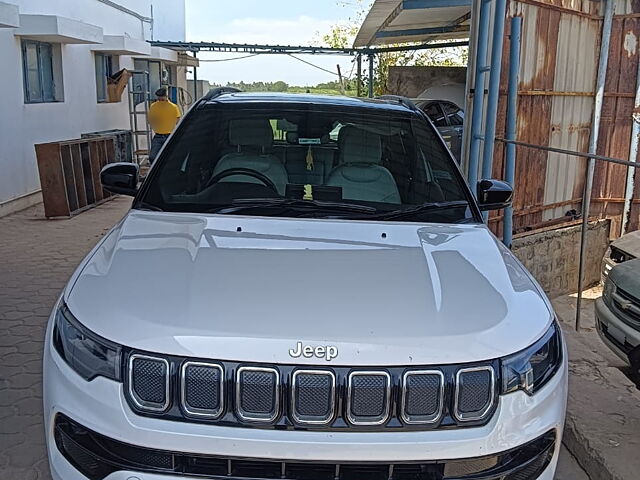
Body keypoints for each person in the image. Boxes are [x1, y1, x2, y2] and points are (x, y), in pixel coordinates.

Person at [147, 88, 181, 164]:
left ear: (166, 96)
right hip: (158, 135)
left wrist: (170, 125)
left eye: (162, 99)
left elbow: (177, 119)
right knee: (152, 157)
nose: (160, 101)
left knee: (171, 157)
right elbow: (150, 120)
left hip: (170, 135)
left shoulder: (173, 107)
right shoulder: (154, 106)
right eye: (159, 99)